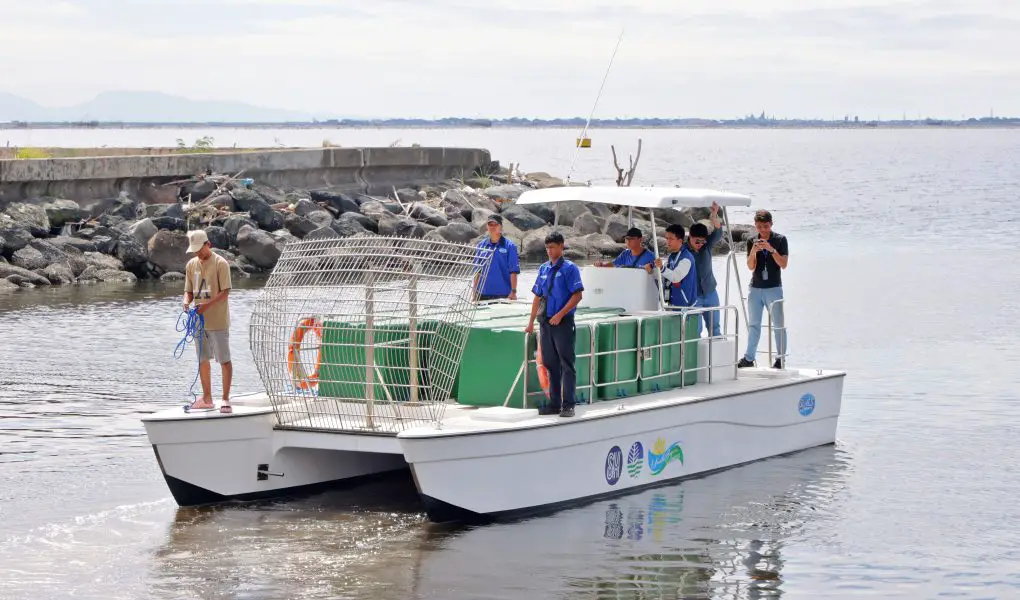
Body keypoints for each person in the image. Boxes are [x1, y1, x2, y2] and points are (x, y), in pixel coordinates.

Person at [525, 232, 584, 418]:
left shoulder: (570, 268)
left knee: (567, 364)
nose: (549, 251)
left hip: (563, 322)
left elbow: (577, 295)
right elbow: (537, 297)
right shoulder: (543, 269)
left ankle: (569, 405)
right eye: (547, 248)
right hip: (546, 323)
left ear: (561, 246)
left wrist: (560, 314)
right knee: (551, 364)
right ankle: (554, 403)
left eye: (552, 247)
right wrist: (530, 322)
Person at [182, 229, 234, 413]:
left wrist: (206, 305)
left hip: (218, 320)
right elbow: (188, 290)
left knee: (224, 359)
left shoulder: (221, 263)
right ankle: (207, 398)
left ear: (208, 244)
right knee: (203, 359)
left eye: (200, 249)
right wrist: (186, 302)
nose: (197, 253)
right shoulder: (191, 265)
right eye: (194, 250)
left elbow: (225, 292)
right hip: (198, 320)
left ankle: (225, 399)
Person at [738, 210, 789, 369]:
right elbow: (750, 266)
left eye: (766, 226)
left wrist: (771, 249)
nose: (763, 230)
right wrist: (754, 251)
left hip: (773, 288)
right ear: (756, 226)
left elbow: (783, 264)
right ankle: (748, 358)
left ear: (771, 224)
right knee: (754, 324)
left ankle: (780, 359)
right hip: (756, 288)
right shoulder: (752, 241)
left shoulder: (780, 240)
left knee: (778, 325)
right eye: (759, 227)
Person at [687, 201, 725, 337]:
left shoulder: (707, 245)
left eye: (703, 241)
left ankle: (717, 357)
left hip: (710, 292)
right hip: (694, 296)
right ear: (690, 237)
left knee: (715, 328)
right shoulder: (683, 251)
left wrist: (714, 214)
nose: (700, 245)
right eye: (697, 241)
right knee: (696, 331)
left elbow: (718, 233)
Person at [473, 214, 520, 301]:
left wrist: (513, 291)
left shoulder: (510, 246)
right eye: (490, 224)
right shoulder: (481, 246)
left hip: (504, 294)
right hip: (482, 294)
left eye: (495, 224)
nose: (492, 227)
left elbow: (513, 271)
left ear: (501, 227)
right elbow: (477, 272)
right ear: (487, 226)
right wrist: (474, 293)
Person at [654, 224, 698, 308]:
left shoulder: (686, 258)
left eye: (671, 239)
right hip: (673, 305)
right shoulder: (672, 256)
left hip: (685, 309)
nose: (667, 242)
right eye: (667, 238)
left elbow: (676, 277)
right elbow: (665, 275)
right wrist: (652, 270)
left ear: (680, 240)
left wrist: (662, 268)